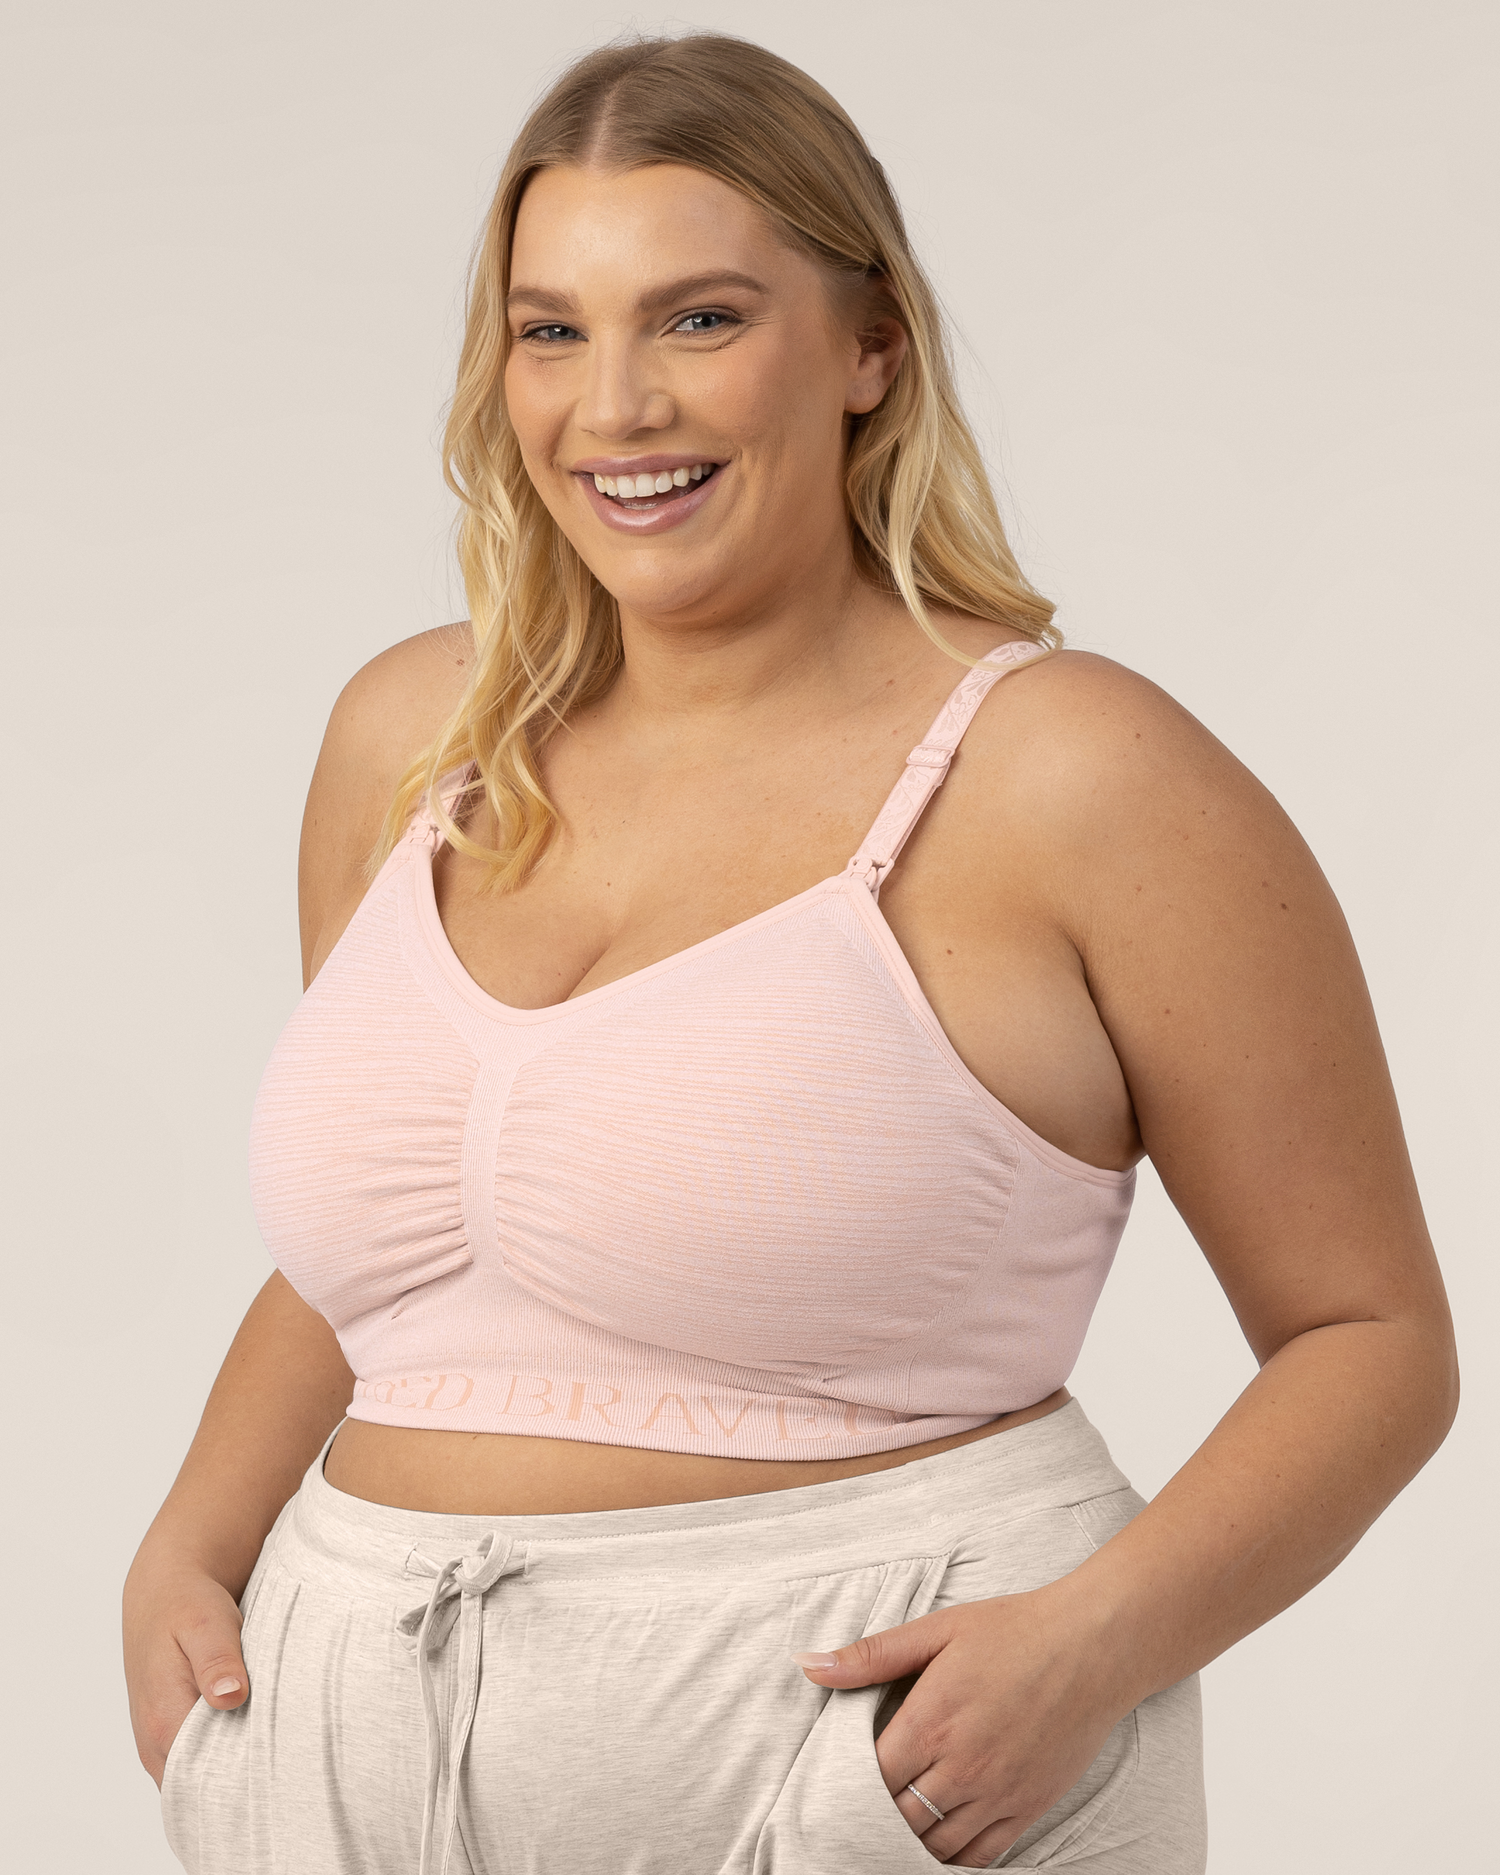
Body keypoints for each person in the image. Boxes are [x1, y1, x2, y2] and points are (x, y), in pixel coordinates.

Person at [121, 31, 1457, 1875]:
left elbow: (1372, 1341)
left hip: (877, 1779)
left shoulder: (1073, 774)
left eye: (699, 320)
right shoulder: (415, 743)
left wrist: (1091, 1646)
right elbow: (406, 1264)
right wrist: (189, 1540)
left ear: (870, 346)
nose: (615, 406)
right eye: (551, 330)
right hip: (346, 1772)